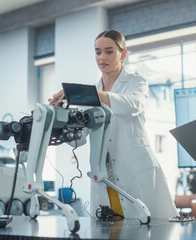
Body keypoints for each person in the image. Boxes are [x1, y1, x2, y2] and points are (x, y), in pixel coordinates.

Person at [49, 30, 178, 220]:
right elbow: (79, 140)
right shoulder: (93, 92)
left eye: (109, 51)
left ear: (123, 54)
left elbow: (130, 106)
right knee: (109, 229)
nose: (102, 57)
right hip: (104, 173)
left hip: (133, 168)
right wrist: (60, 120)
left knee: (143, 227)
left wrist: (87, 94)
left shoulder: (136, 83)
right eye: (98, 52)